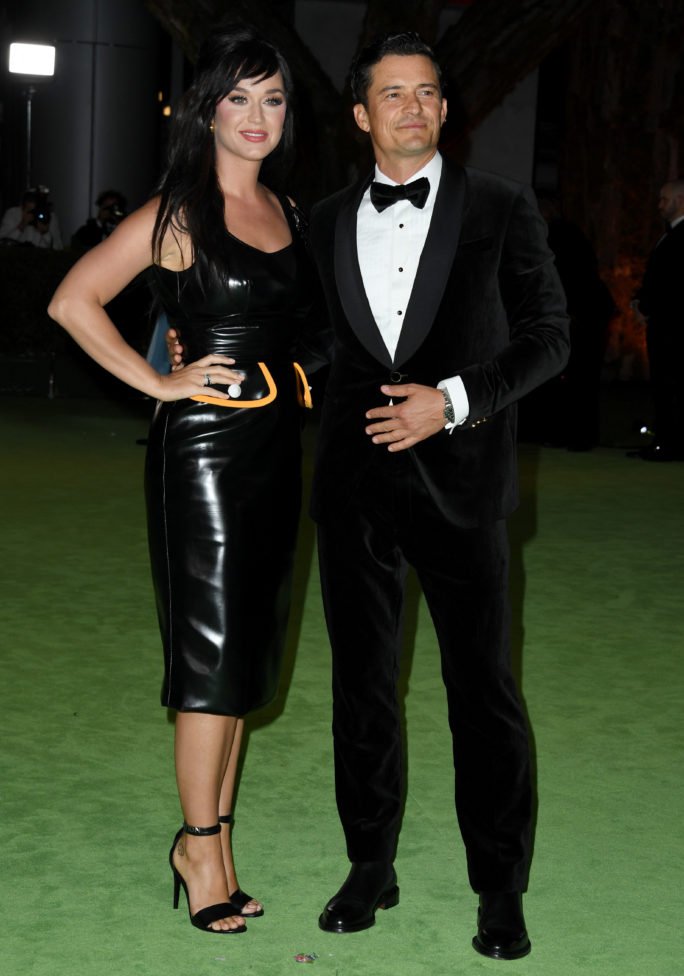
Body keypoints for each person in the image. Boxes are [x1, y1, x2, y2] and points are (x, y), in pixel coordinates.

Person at [48, 25, 322, 935]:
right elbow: (73, 299)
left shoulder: (286, 209)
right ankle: (196, 850)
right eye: (238, 98)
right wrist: (160, 382)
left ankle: (219, 848)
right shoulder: (178, 212)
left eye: (272, 98)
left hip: (276, 450)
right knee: (210, 657)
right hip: (203, 455)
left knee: (246, 656)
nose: (256, 116)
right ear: (207, 110)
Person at [307, 33, 569, 960]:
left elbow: (549, 337)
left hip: (463, 487)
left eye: (426, 92)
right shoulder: (324, 219)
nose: (412, 106)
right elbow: (315, 344)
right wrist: (218, 356)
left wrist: (452, 401)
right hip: (353, 493)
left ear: (445, 109)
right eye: (393, 93)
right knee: (361, 689)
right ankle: (369, 864)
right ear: (361, 114)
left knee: (482, 692)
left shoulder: (500, 205)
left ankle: (500, 887)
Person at [630, 179, 684, 461]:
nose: (659, 204)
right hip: (664, 323)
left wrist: (646, 306)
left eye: (664, 199)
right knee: (664, 384)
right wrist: (639, 300)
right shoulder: (669, 234)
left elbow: (671, 283)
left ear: (680, 199)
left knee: (670, 383)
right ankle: (665, 441)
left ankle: (670, 444)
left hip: (673, 326)